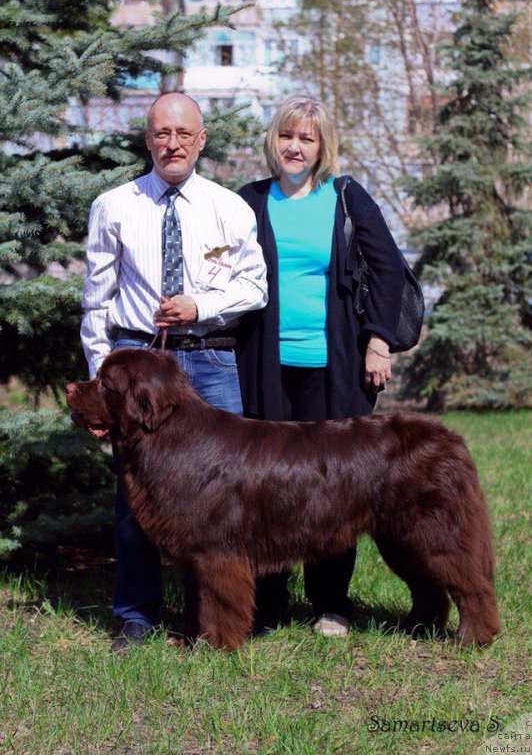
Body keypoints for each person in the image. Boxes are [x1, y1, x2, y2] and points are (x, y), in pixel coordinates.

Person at [81, 92, 268, 651]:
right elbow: (96, 302)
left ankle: (210, 617)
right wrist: (101, 387)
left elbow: (254, 287)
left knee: (224, 500)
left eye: (184, 134)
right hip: (135, 367)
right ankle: (135, 615)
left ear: (202, 140)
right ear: (147, 139)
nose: (173, 144)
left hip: (208, 357)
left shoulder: (229, 206)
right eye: (162, 133)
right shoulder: (113, 205)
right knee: (135, 498)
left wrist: (199, 306)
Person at [237, 95, 405, 637]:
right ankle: (268, 597)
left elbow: (388, 270)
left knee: (333, 483)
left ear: (321, 146)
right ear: (274, 140)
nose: (295, 146)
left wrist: (378, 341)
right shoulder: (249, 200)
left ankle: (331, 601)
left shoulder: (345, 197)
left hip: (333, 367)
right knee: (264, 482)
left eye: (307, 138)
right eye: (288, 136)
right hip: (263, 364)